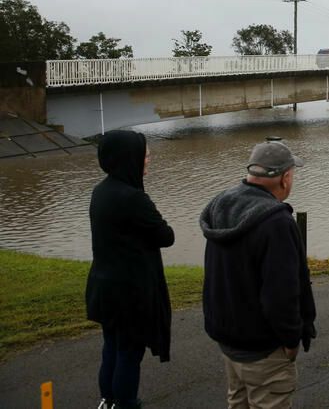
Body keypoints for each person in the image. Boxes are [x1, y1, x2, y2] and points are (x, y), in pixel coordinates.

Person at [200, 138, 316, 409]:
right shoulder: (276, 223)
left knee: (237, 402)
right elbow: (281, 293)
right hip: (264, 350)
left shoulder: (223, 205)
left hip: (229, 341)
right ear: (285, 178)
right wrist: (291, 340)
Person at [86, 130, 175, 409]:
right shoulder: (133, 198)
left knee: (111, 346)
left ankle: (108, 401)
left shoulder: (101, 191)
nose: (148, 159)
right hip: (129, 292)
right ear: (129, 158)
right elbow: (166, 236)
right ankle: (125, 403)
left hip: (104, 285)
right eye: (144, 155)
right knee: (129, 352)